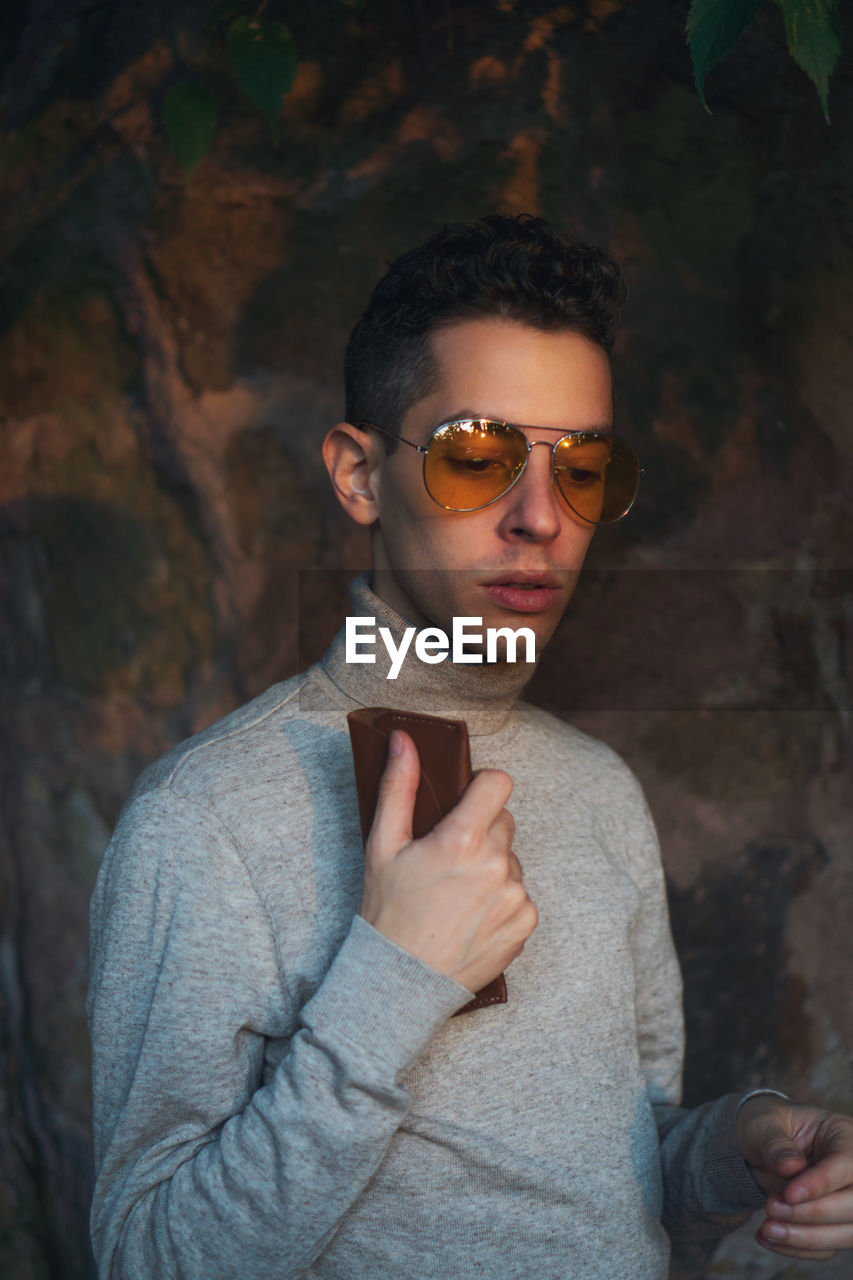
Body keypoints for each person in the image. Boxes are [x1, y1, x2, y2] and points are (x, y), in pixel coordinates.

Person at [87, 214, 853, 1278]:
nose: (540, 515)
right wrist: (392, 980)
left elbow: (620, 1163)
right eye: (476, 457)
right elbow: (147, 1256)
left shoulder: (599, 790)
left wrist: (745, 1143)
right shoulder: (203, 817)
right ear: (358, 475)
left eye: (581, 468)